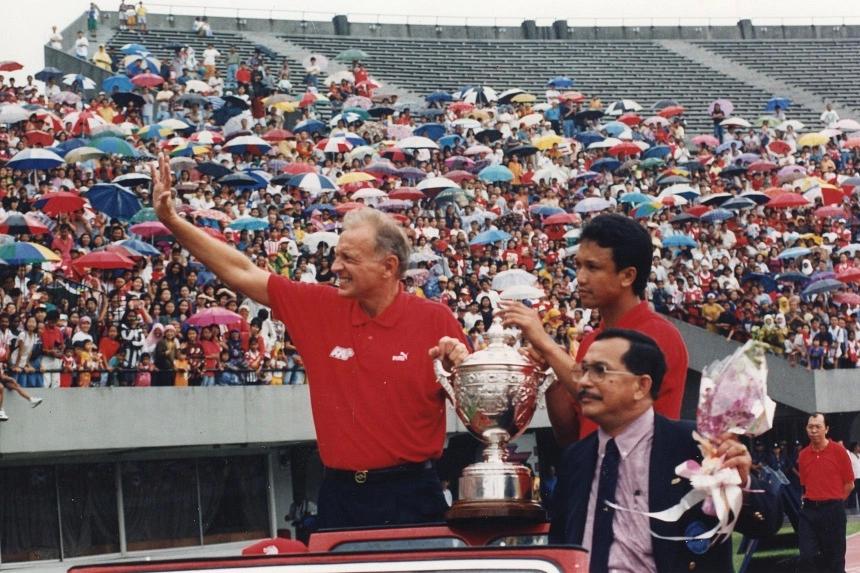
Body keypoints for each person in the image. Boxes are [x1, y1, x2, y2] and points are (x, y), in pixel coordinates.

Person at [151, 154, 469, 529]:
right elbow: (241, 271)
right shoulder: (319, 305)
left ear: (389, 267)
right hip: (339, 495)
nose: (335, 268)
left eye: (348, 258)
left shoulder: (435, 320)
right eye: (336, 256)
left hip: (411, 493)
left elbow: (482, 417)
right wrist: (172, 220)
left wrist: (464, 370)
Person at [547, 329, 782, 572]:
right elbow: (561, 544)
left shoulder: (697, 444)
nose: (583, 382)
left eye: (599, 371)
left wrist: (741, 485)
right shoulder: (576, 458)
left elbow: (766, 522)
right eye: (583, 370)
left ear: (641, 385)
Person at [498, 213, 688, 445]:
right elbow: (572, 437)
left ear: (627, 276)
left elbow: (609, 402)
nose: (580, 278)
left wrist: (547, 345)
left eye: (592, 267)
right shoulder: (591, 341)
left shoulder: (659, 335)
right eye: (578, 265)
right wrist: (552, 376)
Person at [797, 412, 854, 573]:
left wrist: (834, 502)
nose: (813, 430)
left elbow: (849, 484)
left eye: (817, 427)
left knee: (834, 559)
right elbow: (805, 485)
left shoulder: (838, 451)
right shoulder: (802, 455)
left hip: (833, 510)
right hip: (809, 511)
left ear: (826, 429)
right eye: (810, 427)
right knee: (807, 556)